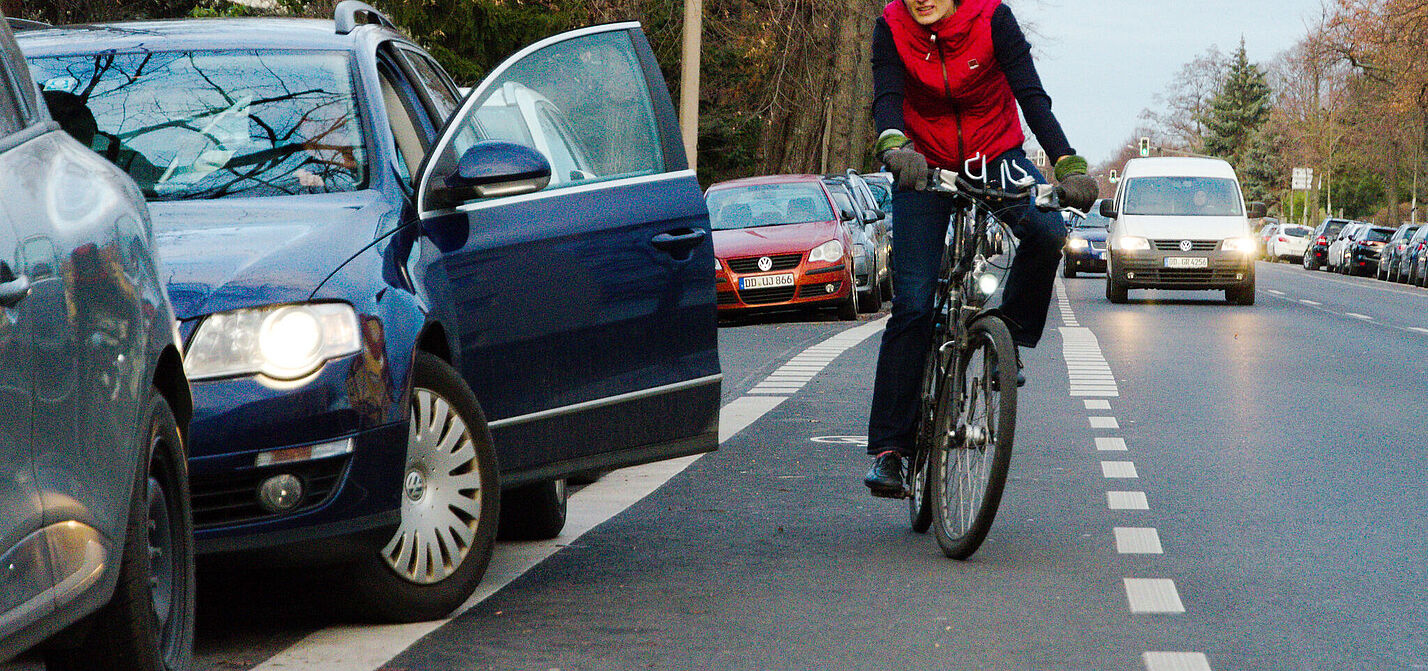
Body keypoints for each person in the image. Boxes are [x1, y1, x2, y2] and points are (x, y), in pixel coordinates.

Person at [862, 0, 1100, 496]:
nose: (922, 0)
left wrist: (1067, 163)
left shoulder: (993, 19)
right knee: (911, 305)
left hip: (997, 156)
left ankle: (1007, 336)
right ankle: (891, 451)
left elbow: (1032, 98)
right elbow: (887, 97)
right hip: (922, 164)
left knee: (1050, 232)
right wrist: (893, 148)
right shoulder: (891, 26)